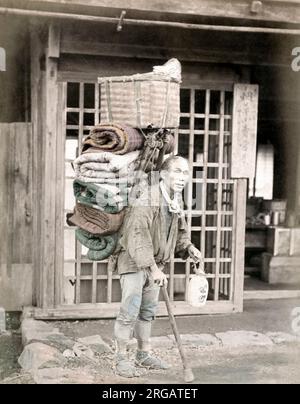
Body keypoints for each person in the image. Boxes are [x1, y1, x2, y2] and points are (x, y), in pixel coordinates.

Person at [113, 155, 205, 378]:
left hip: (155, 265)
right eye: (177, 171)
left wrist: (189, 248)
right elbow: (138, 235)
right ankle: (121, 359)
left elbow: (179, 230)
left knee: (147, 312)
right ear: (163, 174)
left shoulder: (175, 199)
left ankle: (143, 354)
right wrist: (153, 269)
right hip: (134, 262)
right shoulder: (147, 199)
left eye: (185, 173)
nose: (182, 177)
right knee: (129, 311)